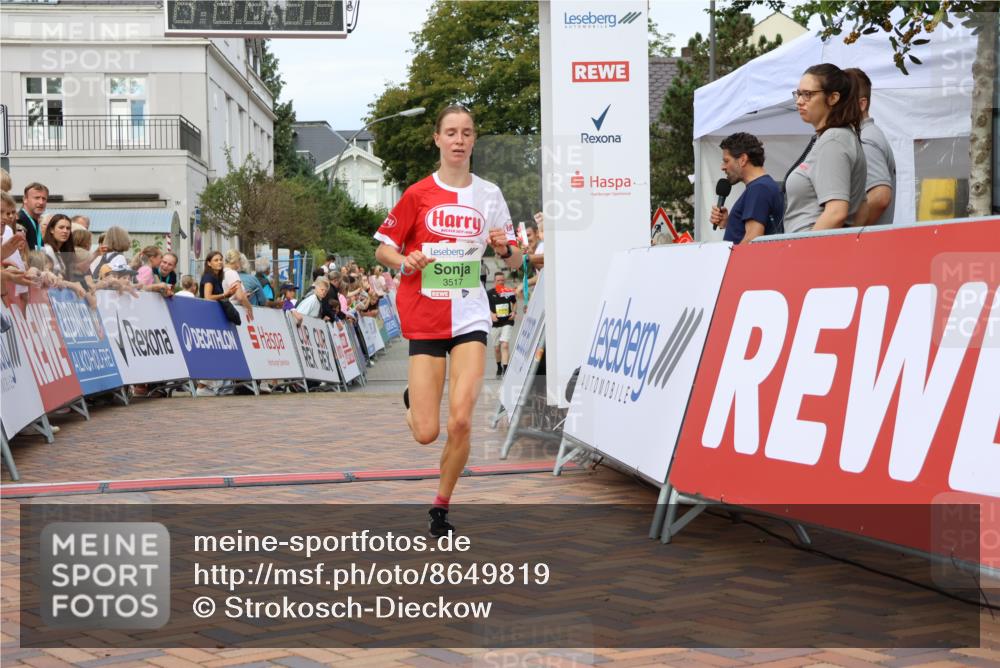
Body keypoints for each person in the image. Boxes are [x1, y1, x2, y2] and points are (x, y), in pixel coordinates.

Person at [373, 104, 522, 537]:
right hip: (425, 315)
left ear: (474, 140)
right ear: (437, 139)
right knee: (426, 432)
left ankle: (440, 506)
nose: (459, 140)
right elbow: (383, 248)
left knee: (461, 420)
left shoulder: (490, 194)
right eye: (451, 132)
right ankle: (413, 403)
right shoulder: (418, 194)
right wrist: (405, 259)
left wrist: (503, 248)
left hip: (470, 316)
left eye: (467, 132)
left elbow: (515, 259)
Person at [783, 63, 869, 234]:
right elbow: (863, 208)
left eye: (808, 94)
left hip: (810, 246)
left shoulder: (833, 140)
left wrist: (805, 247)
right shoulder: (839, 136)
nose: (799, 101)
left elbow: (836, 212)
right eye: (798, 94)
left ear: (833, 98)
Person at [844, 67, 896, 227]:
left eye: (842, 101)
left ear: (862, 104)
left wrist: (847, 234)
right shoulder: (867, 135)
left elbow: (880, 197)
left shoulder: (865, 140)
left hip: (864, 241)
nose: (834, 107)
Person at [710, 132, 784, 244]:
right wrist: (730, 223)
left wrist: (730, 256)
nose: (722, 167)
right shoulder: (762, 186)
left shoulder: (759, 189)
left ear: (743, 159)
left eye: (726, 161)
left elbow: (752, 239)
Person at [486, 271, 517, 377]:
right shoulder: (489, 293)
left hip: (507, 321)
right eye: (498, 280)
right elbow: (484, 306)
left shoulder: (508, 292)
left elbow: (514, 302)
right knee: (497, 348)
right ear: (494, 281)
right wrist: (491, 314)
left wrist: (514, 312)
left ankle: (505, 369)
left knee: (505, 345)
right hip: (495, 323)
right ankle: (499, 366)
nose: (501, 282)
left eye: (502, 280)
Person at [18, 182, 49, 251]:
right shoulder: (20, 220)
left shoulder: (36, 222)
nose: (41, 202)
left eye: (44, 199)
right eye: (37, 198)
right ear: (25, 199)